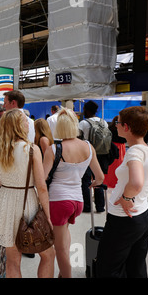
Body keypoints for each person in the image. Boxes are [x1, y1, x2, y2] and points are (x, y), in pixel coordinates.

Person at [0, 109, 55, 278]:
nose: (27, 123)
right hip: (28, 203)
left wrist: (5, 182)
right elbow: (41, 187)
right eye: (25, 121)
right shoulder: (32, 149)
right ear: (18, 125)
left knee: (13, 259)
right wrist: (48, 216)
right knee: (48, 254)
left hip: (5, 202)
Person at [43, 108, 104, 278]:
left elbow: (42, 178)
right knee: (64, 236)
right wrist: (91, 184)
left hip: (59, 200)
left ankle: (66, 275)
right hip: (78, 200)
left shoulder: (54, 149)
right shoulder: (88, 146)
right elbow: (100, 177)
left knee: (60, 249)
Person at [96, 106, 148, 278]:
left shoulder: (134, 152)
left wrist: (126, 197)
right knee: (136, 267)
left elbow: (136, 182)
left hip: (124, 220)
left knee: (107, 268)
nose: (116, 126)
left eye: (118, 122)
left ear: (126, 127)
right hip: (143, 215)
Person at [78, 100, 109, 212]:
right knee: (99, 179)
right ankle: (100, 206)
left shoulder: (83, 123)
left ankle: (87, 207)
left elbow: (78, 138)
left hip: (88, 154)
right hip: (101, 154)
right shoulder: (103, 122)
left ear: (86, 110)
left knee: (86, 181)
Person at [103, 116, 126, 189]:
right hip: (120, 148)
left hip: (112, 147)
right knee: (119, 165)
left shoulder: (110, 129)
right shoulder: (123, 130)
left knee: (110, 167)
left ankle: (108, 182)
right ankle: (116, 182)